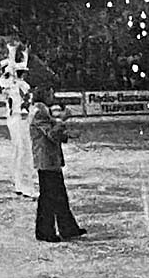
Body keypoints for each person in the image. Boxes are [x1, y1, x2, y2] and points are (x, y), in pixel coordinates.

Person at [29, 85, 86, 242]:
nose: (52, 96)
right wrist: (63, 120)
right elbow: (52, 134)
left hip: (48, 159)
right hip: (47, 160)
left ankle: (67, 228)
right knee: (49, 197)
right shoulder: (40, 111)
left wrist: (66, 134)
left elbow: (50, 128)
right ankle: (46, 232)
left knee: (58, 195)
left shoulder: (40, 110)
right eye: (50, 93)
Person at [0, 43, 35, 198]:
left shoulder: (17, 85)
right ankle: (25, 185)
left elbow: (14, 71)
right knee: (24, 151)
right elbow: (13, 72)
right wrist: (12, 52)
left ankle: (20, 183)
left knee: (20, 151)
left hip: (18, 119)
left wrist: (22, 55)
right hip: (18, 119)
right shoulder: (14, 84)